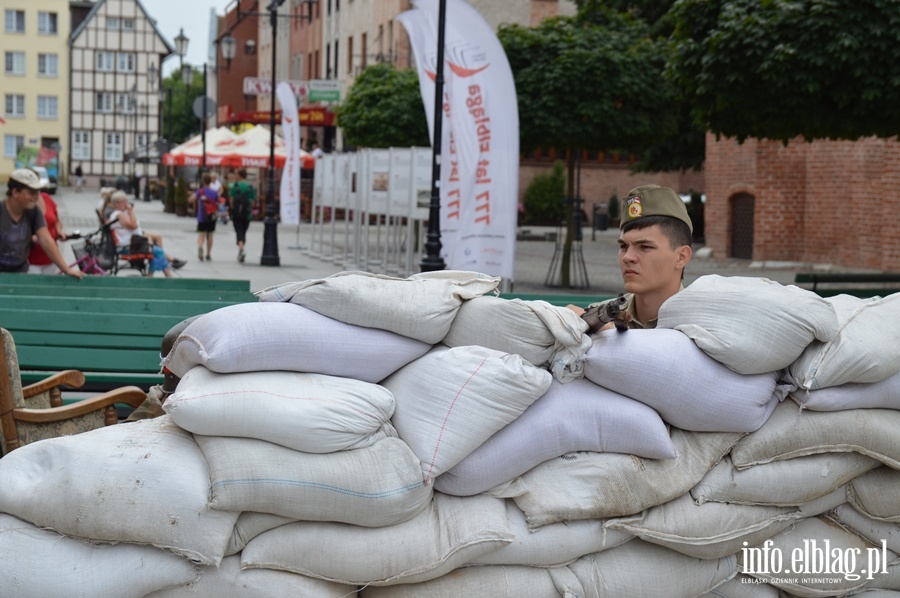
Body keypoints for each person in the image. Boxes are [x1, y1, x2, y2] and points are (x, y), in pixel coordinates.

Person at [571, 184, 693, 331]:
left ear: (681, 257)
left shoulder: (703, 327)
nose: (627, 257)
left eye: (645, 247)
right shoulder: (598, 319)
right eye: (623, 246)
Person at [1, 168, 82, 278]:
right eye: (31, 192)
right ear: (15, 192)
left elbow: (46, 240)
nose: (36, 196)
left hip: (21, 273)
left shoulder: (33, 212)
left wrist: (66, 269)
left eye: (38, 192)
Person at [107, 191, 185, 275]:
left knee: (158, 252)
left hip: (132, 243)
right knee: (159, 252)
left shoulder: (120, 213)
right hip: (129, 247)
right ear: (117, 204)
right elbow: (134, 225)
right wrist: (131, 210)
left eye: (126, 200)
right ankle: (159, 277)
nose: (126, 203)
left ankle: (158, 276)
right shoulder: (119, 215)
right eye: (124, 202)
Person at [28, 190, 67, 274]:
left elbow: (57, 221)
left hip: (51, 259)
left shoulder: (46, 198)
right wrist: (30, 238)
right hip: (31, 261)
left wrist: (58, 231)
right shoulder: (23, 203)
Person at [228, 168, 257, 263]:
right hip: (247, 213)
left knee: (239, 231)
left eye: (236, 174)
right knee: (243, 231)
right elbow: (252, 201)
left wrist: (233, 208)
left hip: (236, 213)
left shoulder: (235, 186)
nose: (235, 176)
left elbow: (231, 199)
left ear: (240, 176)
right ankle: (241, 249)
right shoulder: (250, 187)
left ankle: (241, 249)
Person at [192, 172, 219, 261]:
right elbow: (219, 202)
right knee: (210, 235)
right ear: (211, 181)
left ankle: (200, 246)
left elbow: (191, 199)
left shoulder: (200, 191)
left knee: (201, 234)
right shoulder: (214, 192)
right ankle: (208, 254)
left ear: (203, 181)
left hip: (202, 216)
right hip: (211, 216)